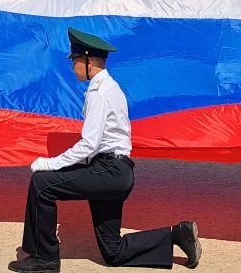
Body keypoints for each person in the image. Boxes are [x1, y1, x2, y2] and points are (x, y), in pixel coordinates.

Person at [13, 28, 203, 272]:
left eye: (76, 61)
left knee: (41, 184)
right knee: (113, 252)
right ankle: (179, 233)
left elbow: (89, 143)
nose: (73, 67)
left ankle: (45, 258)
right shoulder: (111, 87)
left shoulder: (98, 93)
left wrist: (50, 163)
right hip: (117, 172)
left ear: (89, 61)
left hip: (108, 171)